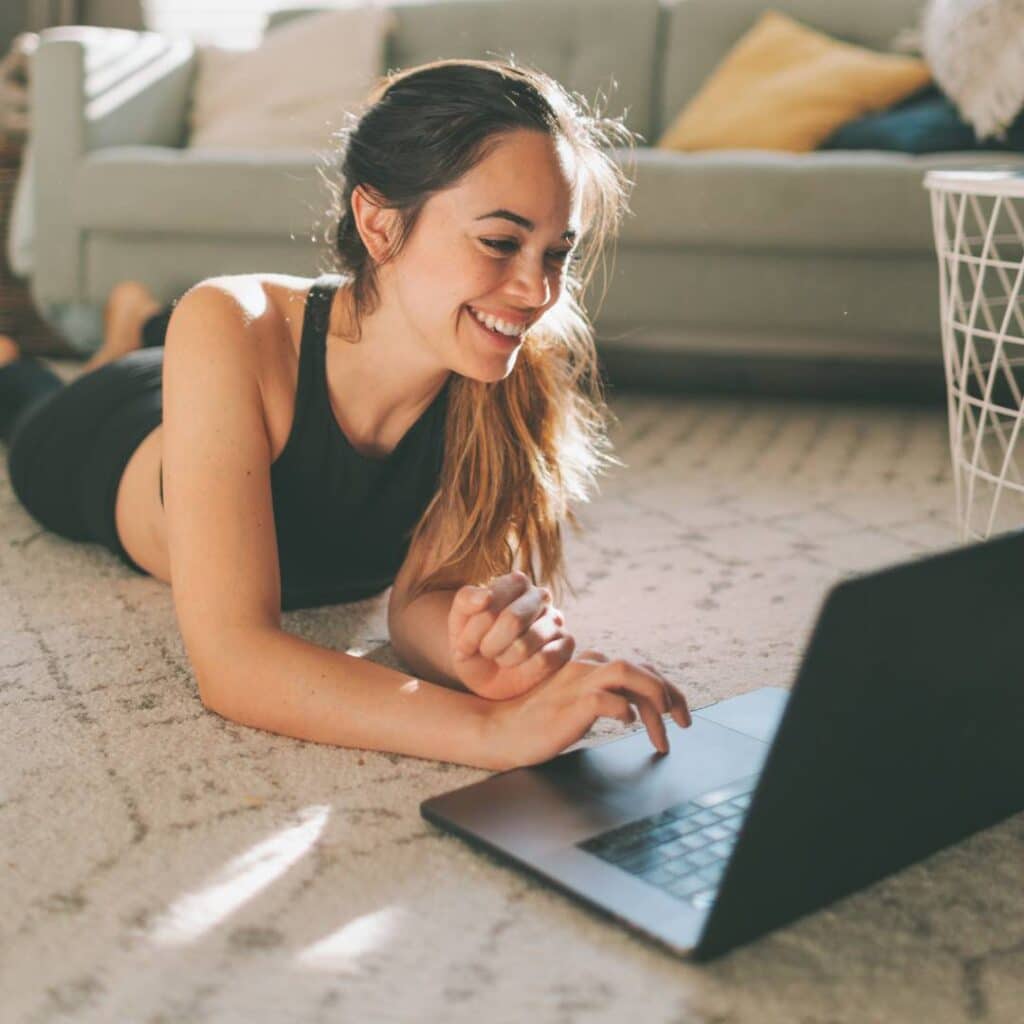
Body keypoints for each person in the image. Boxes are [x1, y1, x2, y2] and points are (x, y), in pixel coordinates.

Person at [0, 58, 692, 770]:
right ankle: (98, 344)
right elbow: (233, 661)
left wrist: (474, 653)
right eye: (500, 241)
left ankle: (138, 324)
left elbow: (424, 597)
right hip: (103, 433)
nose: (536, 290)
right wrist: (488, 732)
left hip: (226, 383)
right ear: (378, 221)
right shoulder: (227, 318)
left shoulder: (507, 370)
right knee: (26, 403)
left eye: (557, 253)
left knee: (178, 353)